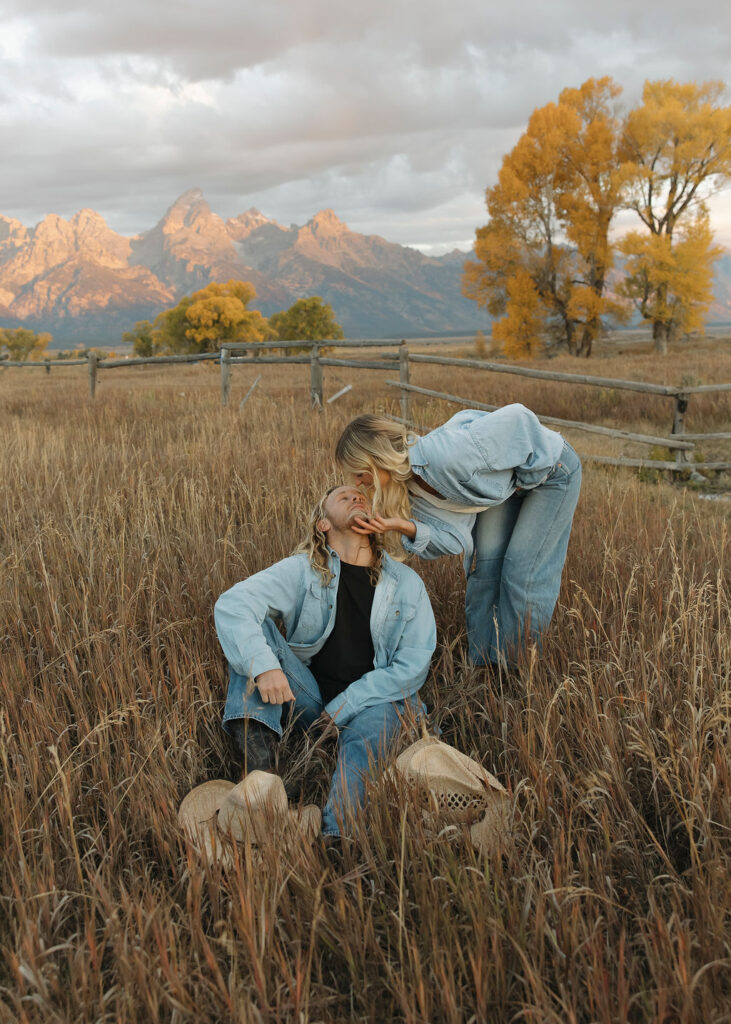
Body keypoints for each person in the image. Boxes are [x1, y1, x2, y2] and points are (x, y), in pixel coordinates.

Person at [214, 485, 436, 840]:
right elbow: (234, 604)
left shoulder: (406, 584)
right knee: (261, 641)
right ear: (323, 524)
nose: (357, 496)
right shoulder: (304, 570)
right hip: (310, 703)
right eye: (343, 496)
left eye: (362, 495)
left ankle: (337, 838)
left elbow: (412, 667)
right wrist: (266, 667)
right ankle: (261, 780)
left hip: (374, 703)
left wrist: (345, 706)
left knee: (365, 739)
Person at [335, 406, 581, 667]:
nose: (358, 482)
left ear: (376, 459)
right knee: (484, 568)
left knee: (520, 572)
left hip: (550, 470)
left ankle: (515, 668)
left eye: (359, 473)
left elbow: (519, 420)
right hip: (510, 485)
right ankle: (484, 664)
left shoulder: (446, 456)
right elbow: (455, 540)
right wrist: (404, 526)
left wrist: (524, 480)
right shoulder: (410, 489)